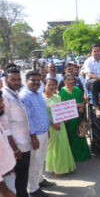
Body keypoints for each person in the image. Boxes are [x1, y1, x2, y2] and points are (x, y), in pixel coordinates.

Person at [20, 71, 54, 197]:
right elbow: (27, 120)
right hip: (35, 136)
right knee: (34, 163)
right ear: (26, 81)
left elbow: (43, 113)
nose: (36, 82)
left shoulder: (38, 94)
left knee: (41, 159)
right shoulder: (24, 97)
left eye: (38, 80)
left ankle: (40, 180)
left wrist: (47, 129)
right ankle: (33, 189)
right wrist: (33, 137)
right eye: (32, 80)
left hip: (43, 132)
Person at [0, 67, 31, 197]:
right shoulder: (5, 96)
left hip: (23, 144)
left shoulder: (15, 93)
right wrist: (15, 149)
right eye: (13, 79)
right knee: (18, 182)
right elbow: (5, 127)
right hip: (16, 148)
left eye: (18, 79)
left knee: (22, 179)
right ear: (6, 80)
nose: (17, 82)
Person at [42, 78, 76, 175]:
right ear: (44, 86)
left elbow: (61, 110)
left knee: (62, 147)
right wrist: (52, 124)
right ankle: (53, 168)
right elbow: (42, 115)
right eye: (49, 85)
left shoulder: (57, 97)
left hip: (60, 126)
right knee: (52, 149)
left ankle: (63, 167)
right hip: (49, 127)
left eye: (53, 85)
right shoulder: (41, 98)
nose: (51, 87)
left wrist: (65, 117)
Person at [59, 73, 91, 162]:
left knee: (80, 133)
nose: (71, 81)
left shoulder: (77, 89)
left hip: (79, 116)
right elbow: (63, 105)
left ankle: (83, 155)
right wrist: (76, 105)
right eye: (68, 79)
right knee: (72, 136)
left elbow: (82, 100)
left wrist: (81, 107)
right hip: (69, 117)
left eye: (72, 79)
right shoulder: (62, 91)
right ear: (64, 81)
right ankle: (73, 156)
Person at [0, 90, 17, 197]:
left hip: (8, 174)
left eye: (2, 101)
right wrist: (3, 188)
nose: (3, 104)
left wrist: (11, 169)